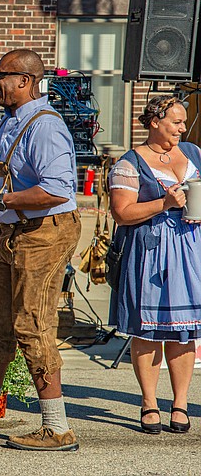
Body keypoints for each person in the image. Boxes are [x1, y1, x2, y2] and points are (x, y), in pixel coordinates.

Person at [0, 49, 82, 451]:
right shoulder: (12, 119)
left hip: (43, 233)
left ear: (25, 81)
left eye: (3, 77)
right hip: (12, 233)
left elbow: (58, 189)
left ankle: (57, 427)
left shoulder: (45, 127)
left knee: (33, 324)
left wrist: (0, 200)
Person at [108, 95, 201, 434]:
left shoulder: (193, 154)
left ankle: (180, 403)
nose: (181, 127)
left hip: (191, 249)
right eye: (175, 121)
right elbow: (122, 213)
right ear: (154, 122)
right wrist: (163, 202)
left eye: (183, 121)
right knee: (147, 330)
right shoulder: (130, 163)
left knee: (183, 329)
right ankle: (149, 402)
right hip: (150, 250)